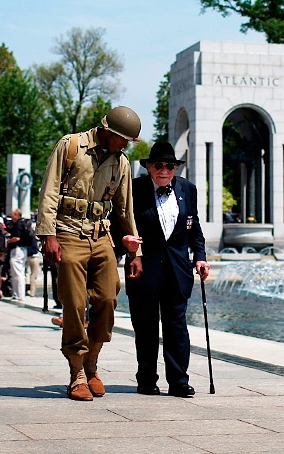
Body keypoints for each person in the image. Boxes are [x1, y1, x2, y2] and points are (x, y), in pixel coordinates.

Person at [37, 106, 143, 401]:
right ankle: (77, 372)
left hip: (101, 235)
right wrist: (48, 235)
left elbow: (125, 209)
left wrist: (136, 252)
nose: (124, 146)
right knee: (74, 302)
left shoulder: (122, 163)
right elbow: (48, 191)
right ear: (108, 132)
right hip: (67, 231)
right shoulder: (70, 146)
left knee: (109, 297)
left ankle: (91, 361)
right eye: (123, 139)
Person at [126, 141, 209, 397]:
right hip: (144, 268)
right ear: (149, 167)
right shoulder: (134, 188)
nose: (164, 170)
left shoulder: (187, 188)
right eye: (158, 165)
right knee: (146, 327)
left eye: (169, 166)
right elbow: (122, 224)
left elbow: (193, 227)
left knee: (176, 327)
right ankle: (147, 379)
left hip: (177, 269)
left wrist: (200, 257)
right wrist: (129, 248)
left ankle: (179, 381)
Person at [6, 208, 32, 301]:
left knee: (17, 272)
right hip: (23, 249)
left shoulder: (18, 224)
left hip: (17, 249)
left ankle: (19, 294)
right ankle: (17, 293)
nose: (11, 216)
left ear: (17, 215)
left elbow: (17, 238)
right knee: (18, 272)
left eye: (13, 214)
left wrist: (8, 241)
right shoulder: (22, 223)